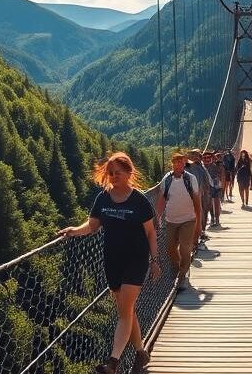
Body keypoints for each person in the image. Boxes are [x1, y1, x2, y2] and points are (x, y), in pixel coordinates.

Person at [57, 153, 159, 374]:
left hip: (136, 260)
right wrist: (74, 231)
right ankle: (141, 353)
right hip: (112, 261)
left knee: (124, 312)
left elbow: (151, 232)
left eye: (117, 173)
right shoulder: (103, 198)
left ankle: (113, 363)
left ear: (129, 173)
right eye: (110, 173)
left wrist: (155, 260)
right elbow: (92, 225)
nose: (113, 177)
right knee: (127, 310)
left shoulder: (139, 200)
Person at [155, 152, 201, 291]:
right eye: (175, 162)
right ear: (172, 164)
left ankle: (181, 278)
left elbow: (197, 202)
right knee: (170, 249)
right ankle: (179, 267)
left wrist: (198, 222)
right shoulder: (167, 179)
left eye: (180, 162)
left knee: (185, 247)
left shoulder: (190, 179)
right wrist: (157, 216)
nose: (178, 165)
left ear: (184, 164)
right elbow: (162, 199)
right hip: (171, 220)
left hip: (188, 219)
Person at [186, 148, 212, 239]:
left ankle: (200, 233)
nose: (197, 157)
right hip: (191, 196)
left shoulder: (201, 167)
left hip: (201, 195)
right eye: (194, 155)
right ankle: (197, 235)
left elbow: (207, 182)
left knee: (202, 213)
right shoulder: (186, 167)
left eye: (198, 155)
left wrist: (207, 193)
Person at [202, 150, 224, 227]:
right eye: (204, 158)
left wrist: (213, 156)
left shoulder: (216, 166)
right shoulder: (201, 167)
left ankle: (217, 219)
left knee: (216, 203)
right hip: (206, 188)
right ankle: (212, 218)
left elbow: (221, 173)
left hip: (216, 186)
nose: (206, 159)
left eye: (208, 157)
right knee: (209, 204)